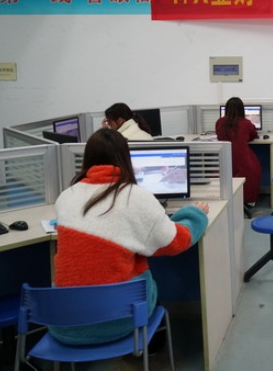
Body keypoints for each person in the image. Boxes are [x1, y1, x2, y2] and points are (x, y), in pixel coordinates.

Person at [51, 128, 209, 345]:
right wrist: (195, 215)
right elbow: (175, 242)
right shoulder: (136, 197)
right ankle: (152, 348)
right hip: (119, 320)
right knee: (145, 279)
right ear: (125, 158)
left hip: (64, 323)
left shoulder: (65, 197)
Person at [216, 97, 262, 207]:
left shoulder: (219, 122)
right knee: (255, 166)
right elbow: (253, 135)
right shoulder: (246, 123)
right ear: (242, 109)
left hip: (225, 160)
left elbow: (219, 136)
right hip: (243, 162)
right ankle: (249, 202)